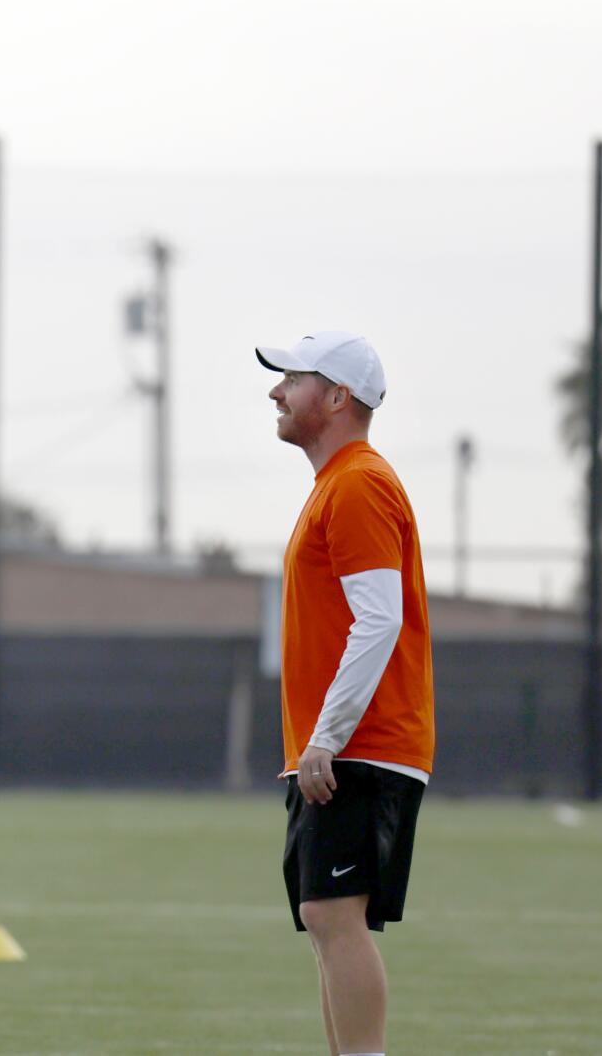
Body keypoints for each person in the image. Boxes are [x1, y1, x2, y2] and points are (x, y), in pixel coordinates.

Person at [259, 331, 434, 1056]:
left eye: (292, 379)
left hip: (360, 743)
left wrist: (327, 735)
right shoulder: (337, 484)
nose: (275, 391)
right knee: (325, 914)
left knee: (333, 913)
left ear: (336, 398)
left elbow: (381, 614)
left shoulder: (358, 481)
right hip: (340, 745)